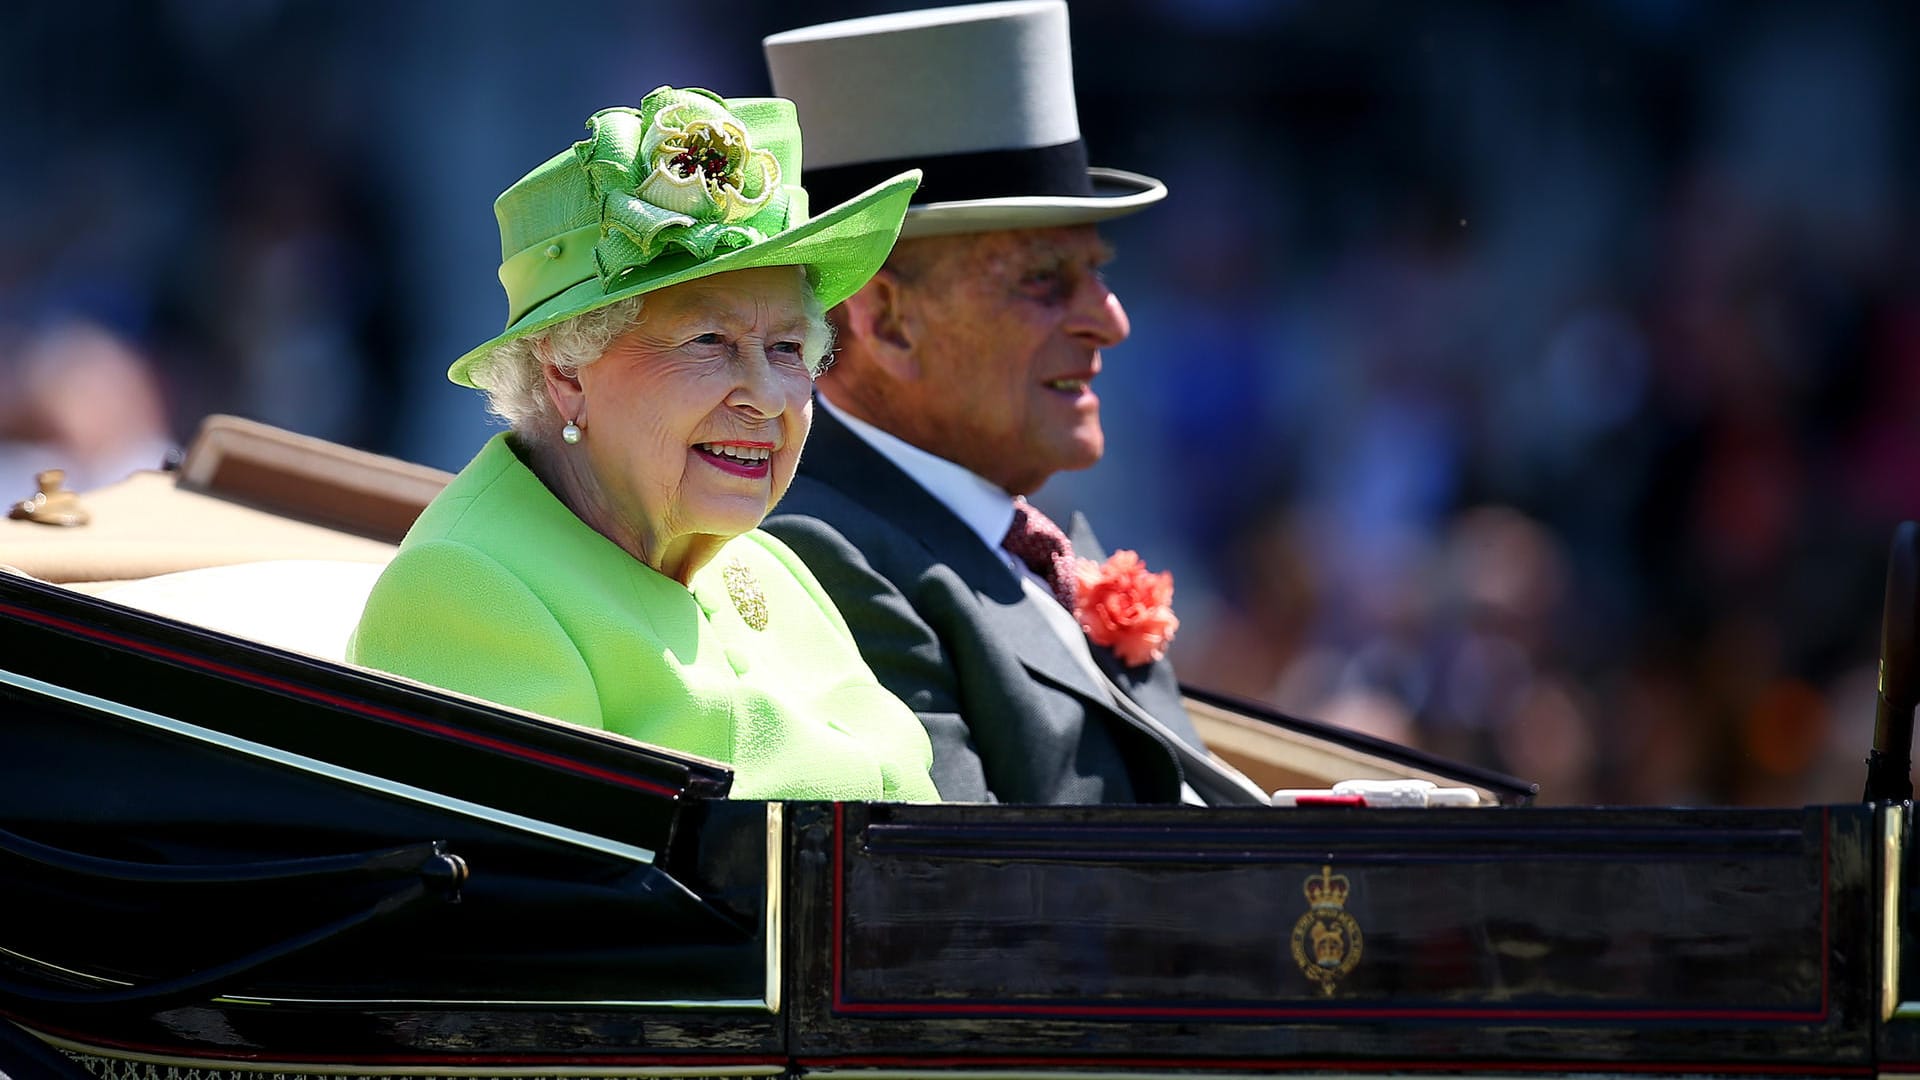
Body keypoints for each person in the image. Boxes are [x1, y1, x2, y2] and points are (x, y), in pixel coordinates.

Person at [349, 86, 937, 802]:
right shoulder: (464, 593)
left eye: (787, 347)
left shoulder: (774, 570)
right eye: (709, 341)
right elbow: (556, 902)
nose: (768, 395)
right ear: (566, 371)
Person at [761, 3, 1268, 805]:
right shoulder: (822, 555)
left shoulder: (1015, 539)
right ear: (890, 321)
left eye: (1099, 272)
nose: (1110, 319)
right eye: (1044, 280)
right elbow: (980, 905)